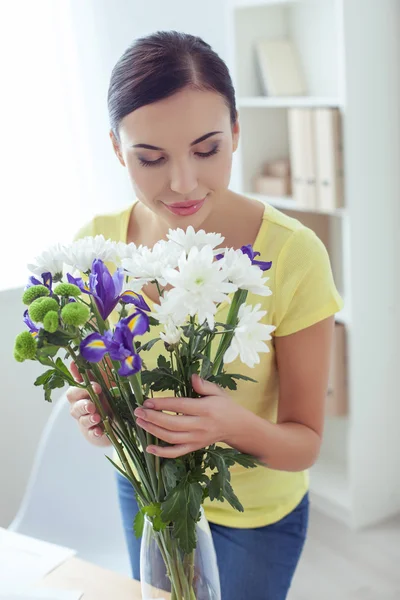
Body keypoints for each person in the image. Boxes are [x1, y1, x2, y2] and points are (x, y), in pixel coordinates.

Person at [67, 31, 343, 600]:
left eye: (207, 149)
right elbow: (106, 404)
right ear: (118, 149)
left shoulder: (292, 255)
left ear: (236, 135)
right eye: (151, 158)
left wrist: (231, 425)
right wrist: (98, 418)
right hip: (147, 491)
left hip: (255, 517)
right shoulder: (96, 248)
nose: (184, 182)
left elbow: (305, 442)